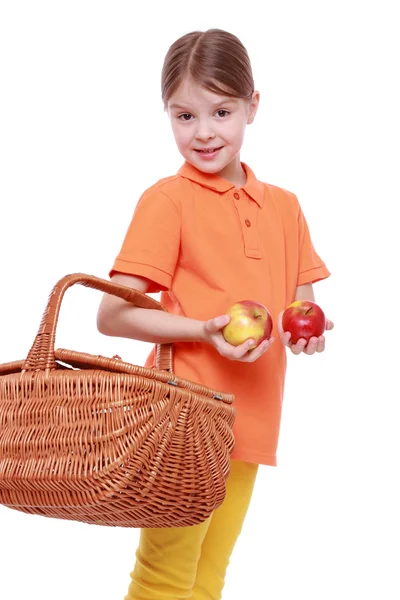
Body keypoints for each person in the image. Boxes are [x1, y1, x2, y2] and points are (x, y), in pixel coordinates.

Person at [97, 28, 334, 600]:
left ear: (253, 106)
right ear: (167, 115)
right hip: (185, 417)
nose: (203, 133)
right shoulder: (168, 201)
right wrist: (202, 329)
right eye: (184, 116)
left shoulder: (285, 206)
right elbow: (112, 314)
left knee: (208, 577)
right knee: (163, 576)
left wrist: (311, 333)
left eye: (221, 111)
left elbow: (297, 309)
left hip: (249, 419)